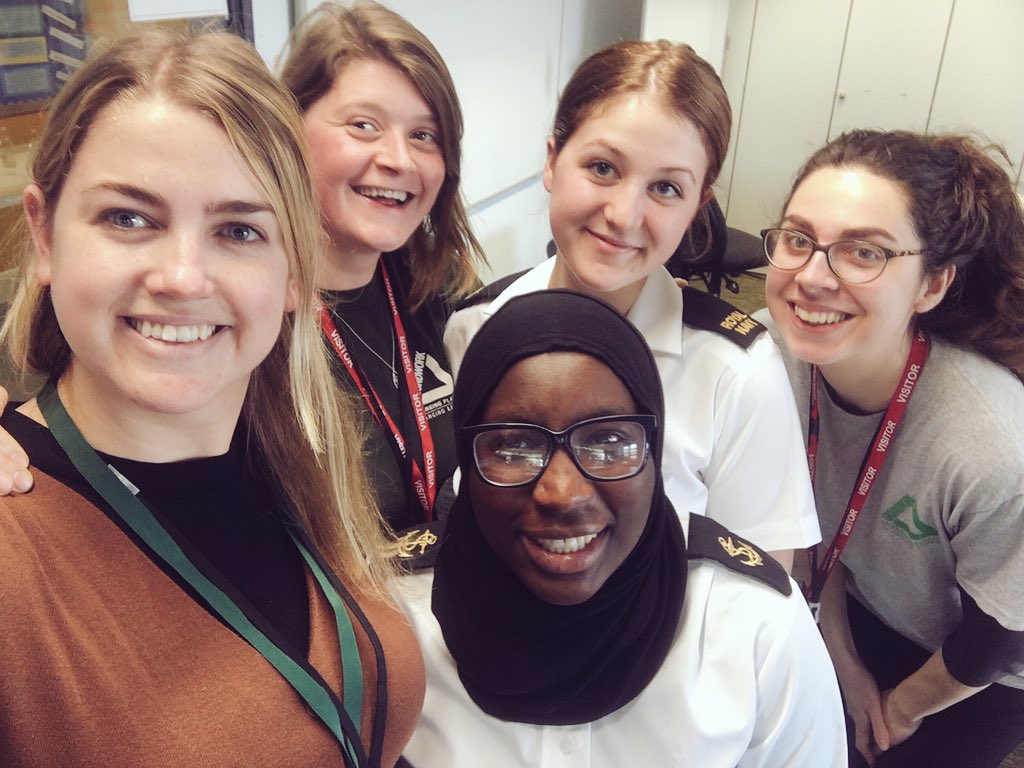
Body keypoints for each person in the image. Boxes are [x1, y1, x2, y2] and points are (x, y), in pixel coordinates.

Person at [0, 29, 423, 767]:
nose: (184, 277)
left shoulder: (296, 461)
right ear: (43, 235)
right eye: (128, 218)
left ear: (295, 273)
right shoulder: (16, 550)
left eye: (237, 230)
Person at [397, 289, 846, 766]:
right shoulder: (395, 621)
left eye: (608, 441)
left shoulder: (756, 629)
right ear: (468, 461)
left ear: (655, 455)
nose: (563, 493)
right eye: (513, 447)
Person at [444, 39, 818, 571]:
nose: (623, 214)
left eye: (666, 187)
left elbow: (759, 583)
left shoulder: (736, 371)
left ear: (697, 207)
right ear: (552, 161)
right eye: (601, 167)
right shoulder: (474, 327)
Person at [757, 129, 1024, 767]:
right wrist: (844, 662)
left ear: (930, 286)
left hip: (980, 663)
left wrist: (898, 709)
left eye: (864, 252)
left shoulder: (991, 447)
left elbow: (998, 635)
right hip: (864, 599)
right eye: (799, 239)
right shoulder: (770, 356)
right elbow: (817, 522)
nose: (813, 279)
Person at [280, 0, 483, 530]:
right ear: (288, 128)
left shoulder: (445, 288)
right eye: (364, 125)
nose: (399, 159)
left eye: (423, 135)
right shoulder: (240, 314)